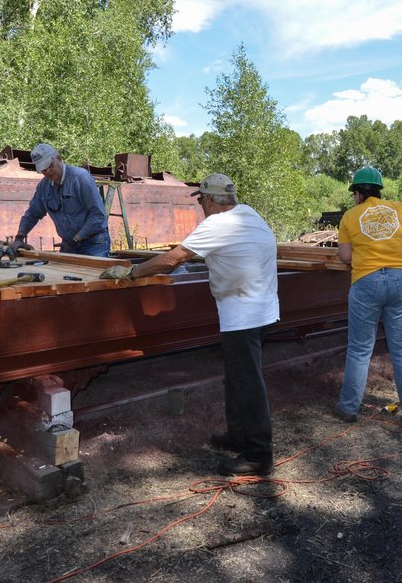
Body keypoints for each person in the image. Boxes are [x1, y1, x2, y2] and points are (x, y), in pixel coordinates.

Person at [100, 173, 279, 476]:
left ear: (209, 200)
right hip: (263, 308)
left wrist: (131, 272)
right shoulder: (249, 214)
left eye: (201, 201)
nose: (202, 208)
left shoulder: (216, 224)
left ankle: (259, 454)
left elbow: (174, 259)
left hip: (243, 314)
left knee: (249, 384)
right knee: (237, 378)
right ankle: (238, 435)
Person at [334, 166, 402, 427]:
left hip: (366, 281)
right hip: (400, 280)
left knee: (360, 349)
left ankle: (349, 408)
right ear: (379, 190)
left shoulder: (350, 216)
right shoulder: (400, 209)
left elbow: (345, 257)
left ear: (358, 193)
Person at [10, 142, 109, 257]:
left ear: (59, 158)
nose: (47, 172)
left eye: (50, 166)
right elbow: (33, 213)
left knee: (93, 275)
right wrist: (19, 237)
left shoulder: (81, 178)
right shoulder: (44, 186)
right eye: (43, 170)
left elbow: (98, 215)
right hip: (69, 244)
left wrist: (76, 240)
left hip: (94, 244)